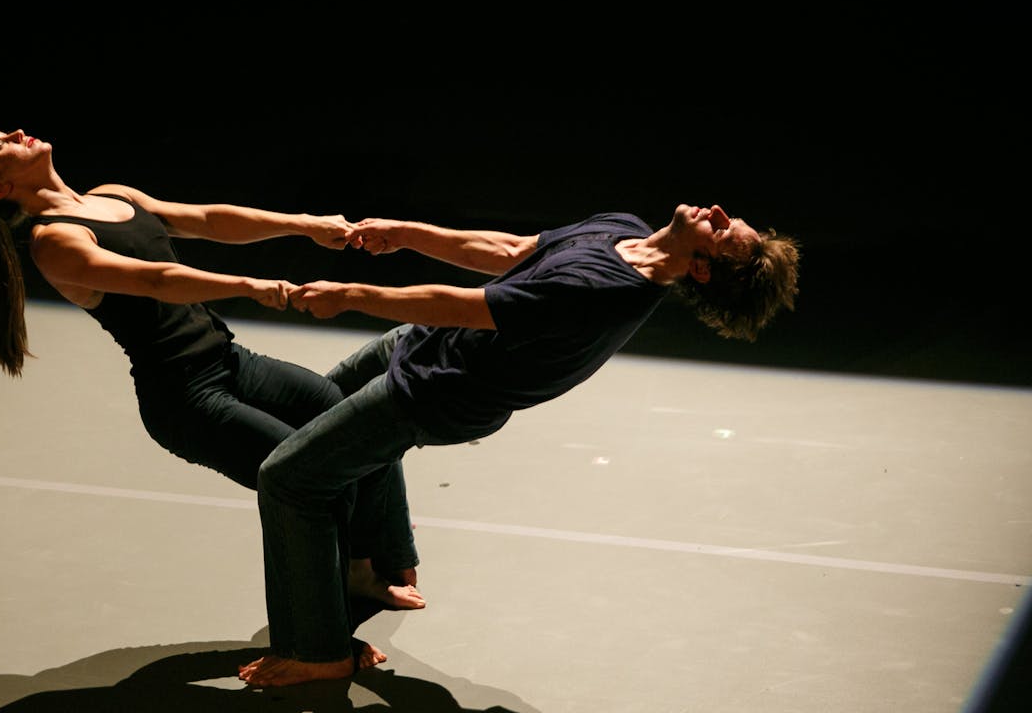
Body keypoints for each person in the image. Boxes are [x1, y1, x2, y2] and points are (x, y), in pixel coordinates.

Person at [239, 204, 801, 686]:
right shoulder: (622, 228)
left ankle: (318, 652)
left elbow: (466, 307)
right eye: (730, 218)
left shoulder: (604, 291)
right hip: (428, 344)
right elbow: (511, 249)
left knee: (290, 478)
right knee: (326, 411)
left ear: (700, 269)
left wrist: (352, 295)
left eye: (724, 231)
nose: (718, 214)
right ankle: (378, 568)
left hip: (439, 389)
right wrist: (405, 233)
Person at [0, 128, 425, 627]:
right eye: (1, 146)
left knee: (356, 424)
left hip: (229, 360)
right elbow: (154, 280)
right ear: (1, 188)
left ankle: (372, 566)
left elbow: (206, 220)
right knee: (309, 480)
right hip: (184, 398)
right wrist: (253, 286)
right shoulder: (55, 241)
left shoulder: (113, 196)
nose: (17, 134)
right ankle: (325, 633)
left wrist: (303, 225)